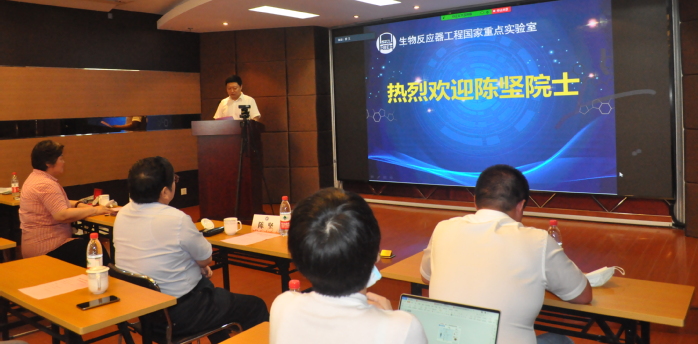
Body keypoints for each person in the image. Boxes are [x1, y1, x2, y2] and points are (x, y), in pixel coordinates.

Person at [420, 164, 592, 344]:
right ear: (521, 205)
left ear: (475, 200)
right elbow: (582, 295)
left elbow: (426, 277)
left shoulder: (443, 228)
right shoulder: (538, 241)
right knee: (560, 340)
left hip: (447, 339)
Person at [113, 157, 268, 343]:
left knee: (207, 289)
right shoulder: (176, 219)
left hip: (143, 313)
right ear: (164, 192)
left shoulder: (122, 213)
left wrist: (197, 265)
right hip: (179, 315)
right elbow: (206, 258)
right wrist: (199, 264)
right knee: (255, 306)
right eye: (174, 180)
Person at [270, 187, 427, 344]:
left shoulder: (283, 307)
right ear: (376, 254)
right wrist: (390, 320)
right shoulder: (404, 327)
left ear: (298, 258)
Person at [19, 140, 115, 267]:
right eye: (61, 158)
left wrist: (79, 205)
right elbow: (61, 214)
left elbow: (55, 203)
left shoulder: (35, 178)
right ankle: (108, 277)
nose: (63, 162)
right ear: (48, 163)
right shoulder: (45, 184)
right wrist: (95, 210)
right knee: (95, 250)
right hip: (47, 247)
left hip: (36, 244)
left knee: (88, 244)